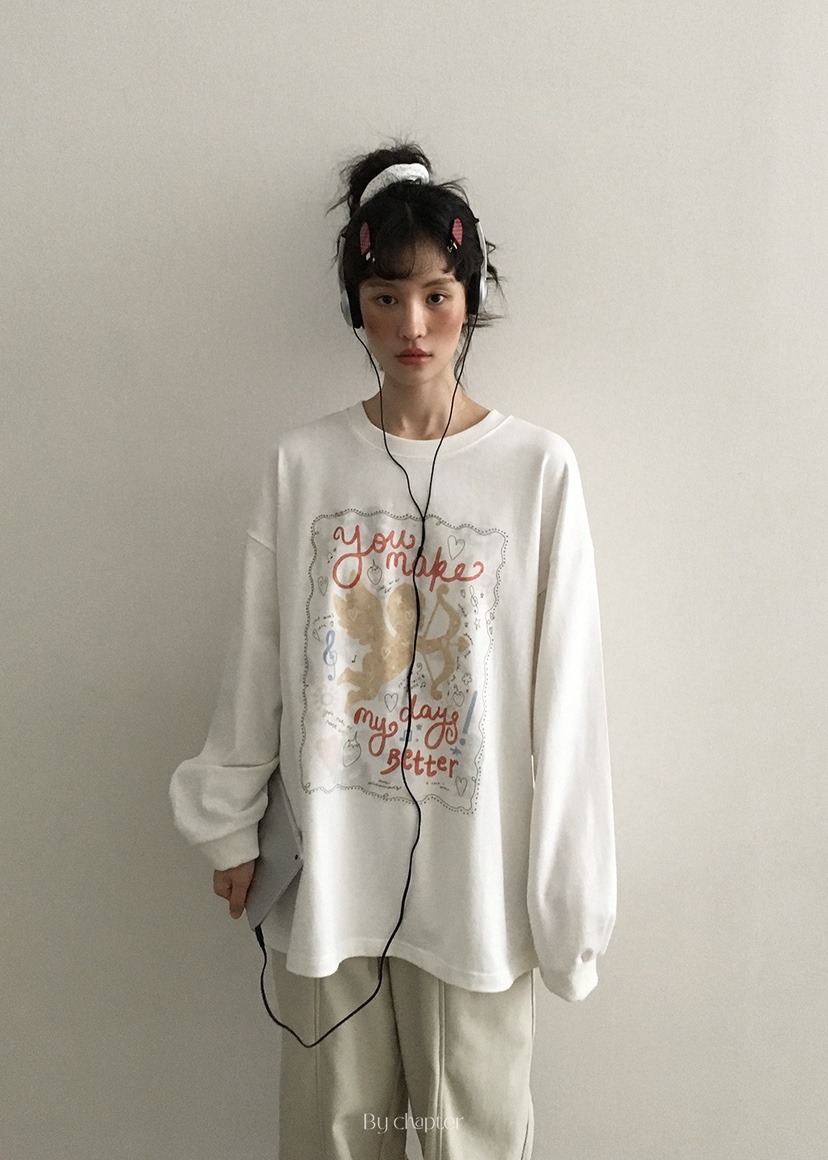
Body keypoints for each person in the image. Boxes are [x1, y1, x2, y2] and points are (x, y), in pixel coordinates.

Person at [170, 140, 616, 1160]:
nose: (412, 326)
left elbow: (570, 703)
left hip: (476, 893)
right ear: (356, 307)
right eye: (385, 298)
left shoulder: (537, 472)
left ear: (470, 298)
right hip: (331, 884)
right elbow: (258, 654)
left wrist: (568, 903)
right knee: (333, 1138)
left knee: (475, 1139)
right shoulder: (304, 465)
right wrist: (228, 822)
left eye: (435, 296)